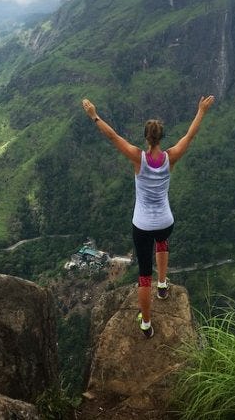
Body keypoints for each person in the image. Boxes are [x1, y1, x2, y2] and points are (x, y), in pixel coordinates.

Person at [81, 95, 215, 338]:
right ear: (161, 137)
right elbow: (190, 135)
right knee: (162, 244)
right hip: (165, 221)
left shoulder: (137, 158)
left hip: (142, 225)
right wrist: (201, 111)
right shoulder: (170, 157)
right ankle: (162, 285)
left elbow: (112, 136)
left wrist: (94, 115)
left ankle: (146, 323)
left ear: (146, 137)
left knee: (144, 275)